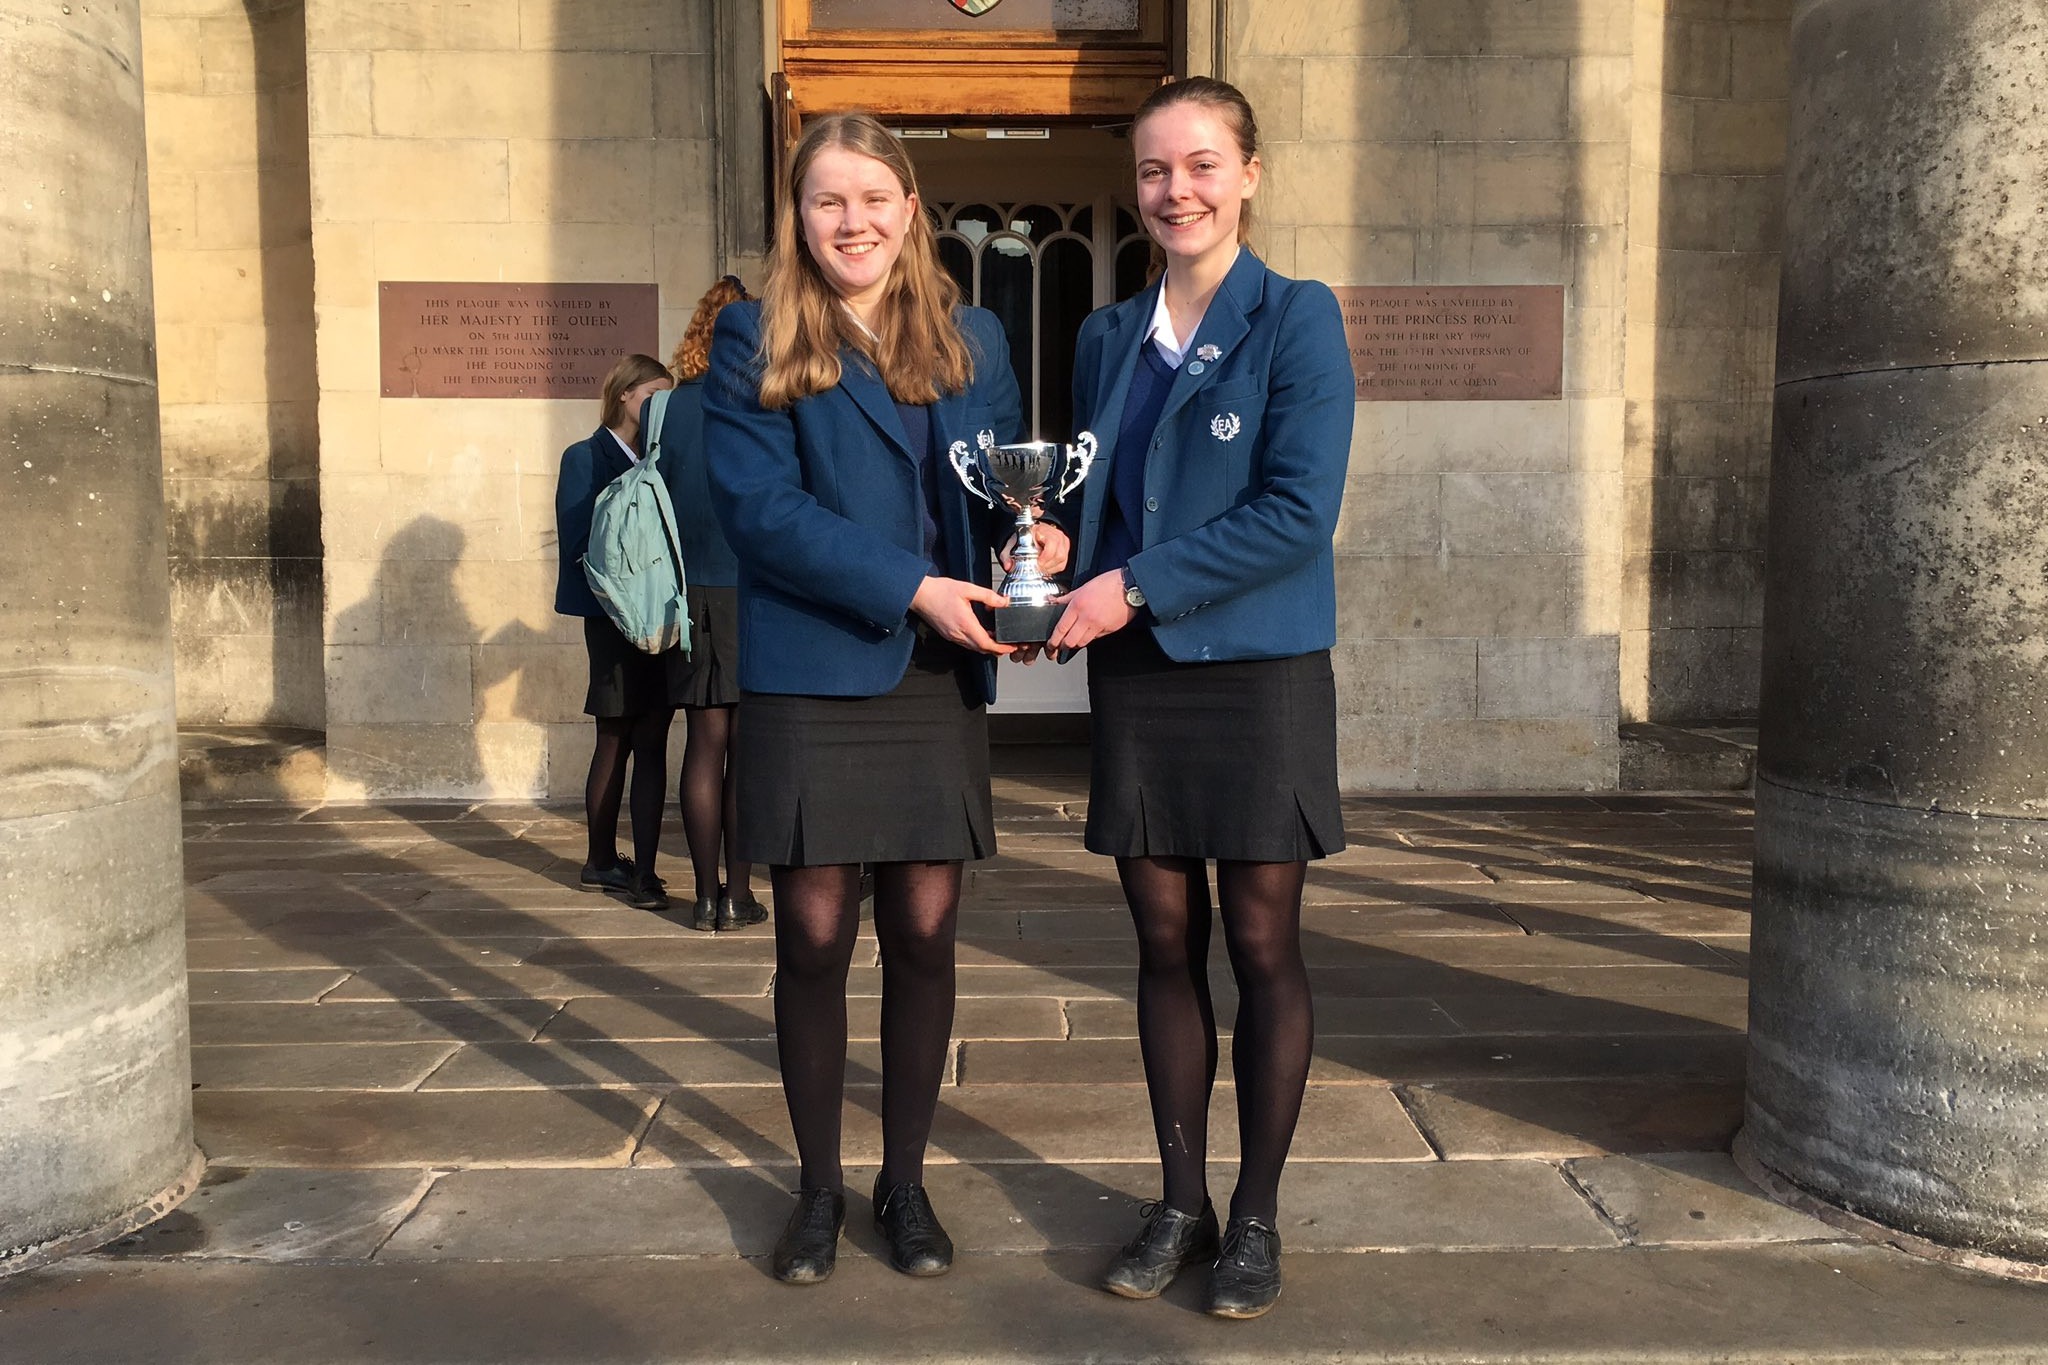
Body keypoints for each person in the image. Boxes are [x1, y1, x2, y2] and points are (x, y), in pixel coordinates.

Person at [702, 111, 1068, 1286]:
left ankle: (903, 1186)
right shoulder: (753, 335)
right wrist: (912, 583)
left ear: (909, 209)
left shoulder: (974, 337)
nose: (851, 221)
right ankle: (817, 1191)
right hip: (817, 664)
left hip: (930, 676)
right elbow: (760, 513)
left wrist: (1033, 548)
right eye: (826, 201)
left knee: (922, 934)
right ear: (798, 219)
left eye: (871, 198)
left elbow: (993, 491)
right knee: (812, 941)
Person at [1045, 76, 1354, 1320]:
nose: (1177, 191)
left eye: (1201, 165)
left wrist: (1131, 586)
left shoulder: (1296, 318)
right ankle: (1179, 1201)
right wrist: (1055, 560)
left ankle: (1257, 1219)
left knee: (1261, 945)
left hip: (1257, 672)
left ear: (1249, 173)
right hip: (1140, 680)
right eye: (1156, 171)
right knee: (1160, 945)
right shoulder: (1103, 338)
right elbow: (1089, 501)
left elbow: (1296, 512)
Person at [646, 276, 769, 935]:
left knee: (702, 741)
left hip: (686, 594)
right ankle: (740, 894)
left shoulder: (664, 409)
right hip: (750, 590)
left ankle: (701, 897)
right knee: (746, 752)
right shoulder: (760, 402)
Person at [553, 353, 684, 913]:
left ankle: (642, 868)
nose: (660, 408)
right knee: (614, 735)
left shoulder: (663, 460)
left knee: (651, 738)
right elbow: (578, 547)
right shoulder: (584, 457)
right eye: (653, 396)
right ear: (627, 394)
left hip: (658, 618)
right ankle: (600, 858)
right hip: (611, 621)